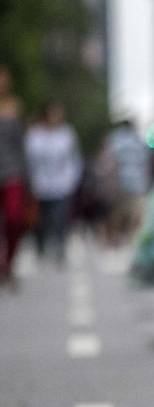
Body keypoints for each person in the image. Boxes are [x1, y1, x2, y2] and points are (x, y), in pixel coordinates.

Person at [25, 100, 82, 266]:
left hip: (62, 185)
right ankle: (40, 246)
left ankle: (60, 248)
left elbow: (74, 158)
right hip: (39, 184)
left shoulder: (67, 134)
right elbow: (30, 160)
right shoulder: (35, 135)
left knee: (60, 217)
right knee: (41, 219)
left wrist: (72, 180)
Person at [0, 64, 28, 288]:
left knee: (14, 219)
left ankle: (8, 263)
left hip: (12, 172)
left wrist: (27, 176)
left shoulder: (14, 107)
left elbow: (21, 145)